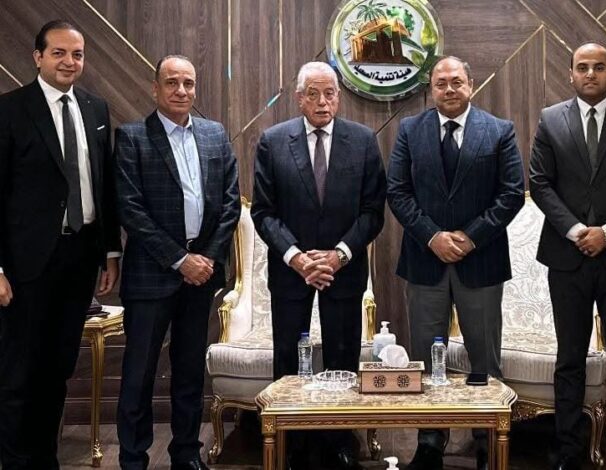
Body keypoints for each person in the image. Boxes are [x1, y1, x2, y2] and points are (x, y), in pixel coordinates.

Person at [386, 56, 524, 470]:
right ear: (431, 88)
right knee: (427, 358)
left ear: (471, 84)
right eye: (441, 83)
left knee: (484, 358)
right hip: (425, 260)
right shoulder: (410, 130)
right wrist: (433, 237)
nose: (449, 89)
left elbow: (512, 193)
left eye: (456, 81)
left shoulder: (498, 130)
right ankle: (430, 443)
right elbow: (398, 191)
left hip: (480, 261)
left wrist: (469, 237)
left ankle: (487, 444)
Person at [252, 61, 386, 470]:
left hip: (342, 270)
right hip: (291, 271)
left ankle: (339, 442)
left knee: (342, 358)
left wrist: (338, 254)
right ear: (299, 98)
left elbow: (372, 212)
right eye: (313, 94)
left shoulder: (363, 141)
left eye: (330, 94)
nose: (322, 101)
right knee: (288, 359)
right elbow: (264, 213)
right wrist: (297, 257)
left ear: (338, 98)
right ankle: (291, 444)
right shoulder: (273, 141)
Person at [0, 20, 121, 469]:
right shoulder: (10, 110)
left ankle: (45, 459)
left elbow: (104, 186)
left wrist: (110, 251)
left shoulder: (95, 108)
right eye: (59, 53)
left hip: (80, 259)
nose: (70, 62)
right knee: (19, 373)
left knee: (57, 370)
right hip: (25, 266)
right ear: (37, 57)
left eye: (77, 54)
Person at [529, 42, 606, 470]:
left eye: (599, 67)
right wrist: (577, 230)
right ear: (570, 73)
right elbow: (540, 183)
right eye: (582, 67)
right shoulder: (550, 119)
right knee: (569, 360)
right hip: (568, 258)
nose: (590, 74)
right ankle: (569, 453)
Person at [114, 55, 240, 470]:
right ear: (156, 88)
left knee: (189, 372)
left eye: (188, 83)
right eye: (172, 82)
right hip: (152, 275)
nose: (181, 90)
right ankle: (133, 458)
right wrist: (180, 259)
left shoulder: (214, 134)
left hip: (202, 276)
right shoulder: (132, 137)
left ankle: (186, 453)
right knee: (139, 374)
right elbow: (131, 210)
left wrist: (205, 258)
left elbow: (230, 204)